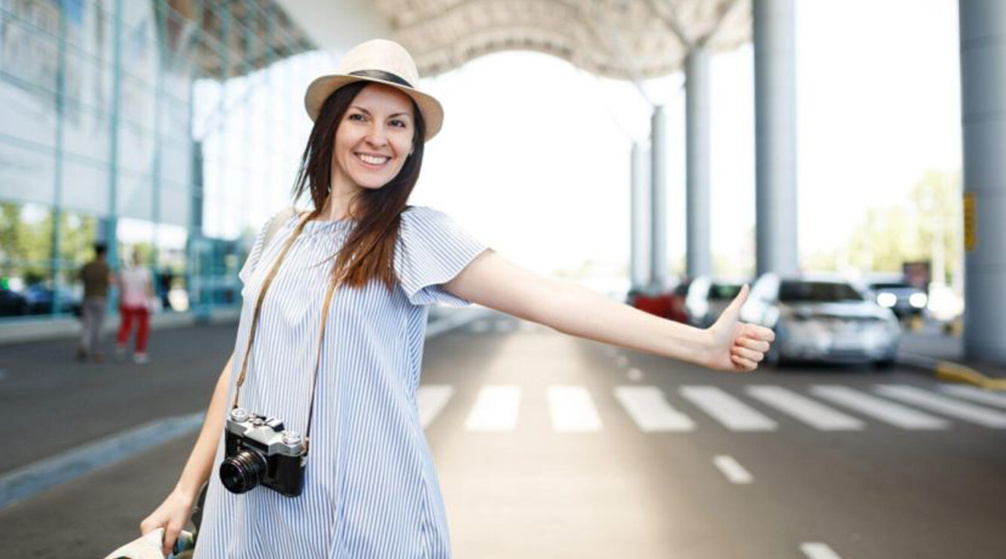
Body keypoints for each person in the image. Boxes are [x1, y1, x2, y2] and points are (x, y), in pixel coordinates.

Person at [140, 39, 775, 558]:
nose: (377, 137)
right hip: (252, 514)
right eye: (360, 116)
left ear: (413, 144)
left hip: (367, 519)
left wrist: (698, 344)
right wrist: (185, 491)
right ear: (330, 126)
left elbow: (549, 298)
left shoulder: (414, 235)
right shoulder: (280, 232)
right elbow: (241, 369)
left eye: (398, 123)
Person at [116, 251, 154, 364]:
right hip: (141, 304)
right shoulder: (145, 272)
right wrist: (151, 301)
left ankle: (121, 341)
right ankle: (140, 352)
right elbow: (148, 288)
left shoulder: (124, 272)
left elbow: (122, 289)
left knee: (126, 324)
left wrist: (120, 301)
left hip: (127, 302)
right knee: (142, 328)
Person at [78, 243, 112, 362]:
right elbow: (109, 282)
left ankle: (84, 346)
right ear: (103, 253)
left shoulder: (87, 266)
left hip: (87, 297)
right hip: (101, 298)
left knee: (87, 325)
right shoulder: (105, 267)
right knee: (99, 326)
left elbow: (80, 279)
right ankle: (98, 352)